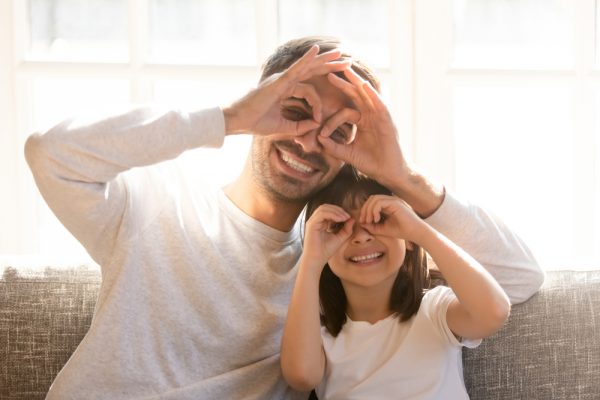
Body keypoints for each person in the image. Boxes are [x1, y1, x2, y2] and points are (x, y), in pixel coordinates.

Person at [24, 36, 543, 399]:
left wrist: (404, 176)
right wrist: (229, 119)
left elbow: (519, 279)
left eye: (338, 132)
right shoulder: (157, 203)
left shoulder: (339, 261)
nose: (307, 139)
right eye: (295, 110)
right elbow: (51, 154)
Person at [280, 165, 511, 399]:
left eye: (378, 219)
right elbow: (301, 376)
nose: (362, 236)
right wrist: (311, 260)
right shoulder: (322, 336)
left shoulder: (434, 310)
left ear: (408, 239)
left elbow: (495, 312)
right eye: (340, 226)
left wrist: (420, 232)